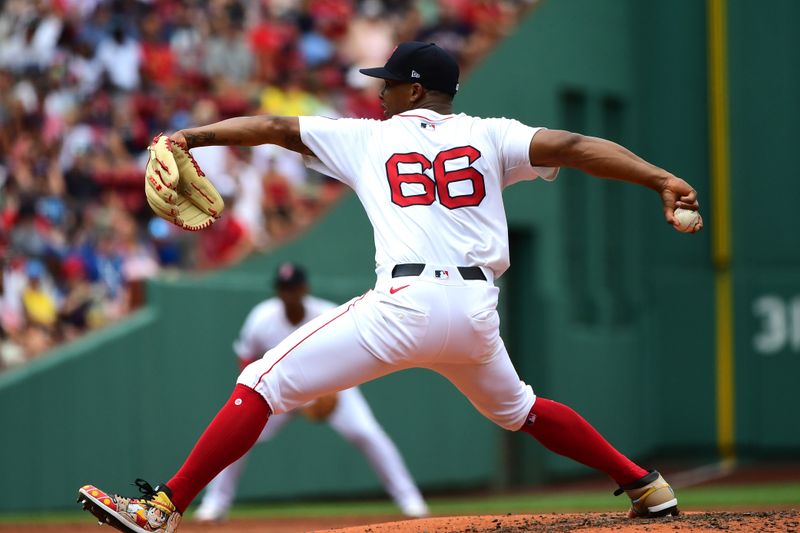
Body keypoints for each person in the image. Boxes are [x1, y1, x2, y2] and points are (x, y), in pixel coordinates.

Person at [78, 42, 702, 533]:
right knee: (521, 410)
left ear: (412, 88)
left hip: (404, 307)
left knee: (262, 382)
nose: (377, 93)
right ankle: (647, 486)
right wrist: (661, 180)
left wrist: (192, 136)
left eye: (386, 83)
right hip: (477, 313)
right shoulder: (491, 134)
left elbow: (271, 126)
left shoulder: (367, 138)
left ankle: (162, 508)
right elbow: (574, 144)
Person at [194, 262, 428, 522]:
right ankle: (215, 504)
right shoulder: (262, 317)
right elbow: (246, 360)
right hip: (279, 392)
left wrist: (329, 392)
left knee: (367, 433)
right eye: (284, 288)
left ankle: (410, 501)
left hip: (331, 389)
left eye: (293, 288)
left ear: (305, 288)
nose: (289, 294)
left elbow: (349, 359)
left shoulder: (326, 312)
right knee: (239, 436)